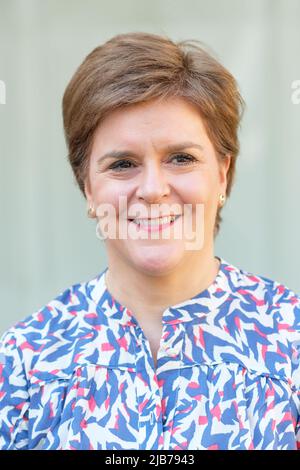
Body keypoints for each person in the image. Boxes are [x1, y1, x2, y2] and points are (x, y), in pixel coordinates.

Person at [0, 32, 299, 451]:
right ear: (87, 187)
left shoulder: (291, 340)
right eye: (123, 164)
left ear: (221, 174)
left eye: (181, 158)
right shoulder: (23, 363)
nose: (153, 189)